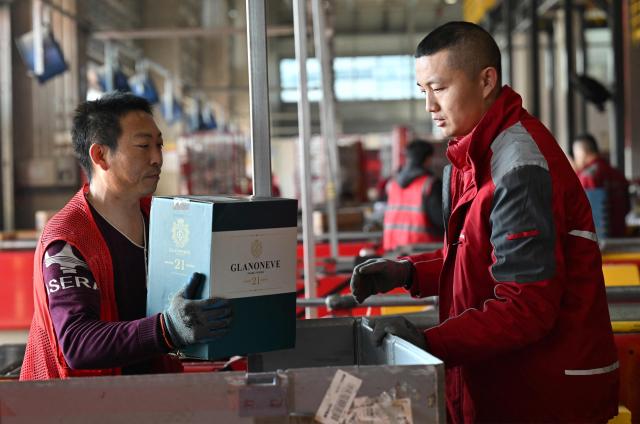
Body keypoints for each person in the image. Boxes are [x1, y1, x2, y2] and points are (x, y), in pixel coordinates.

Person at [350, 22, 618, 423]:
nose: (429, 105)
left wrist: (428, 341)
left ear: (487, 80)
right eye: (422, 90)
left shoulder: (518, 167)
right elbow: (477, 254)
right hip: (506, 384)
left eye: (439, 88)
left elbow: (526, 306)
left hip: (543, 396)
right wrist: (408, 272)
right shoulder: (473, 157)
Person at [20, 92, 232, 380]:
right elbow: (77, 343)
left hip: (147, 397)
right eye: (143, 146)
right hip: (74, 407)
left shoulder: (163, 222)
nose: (157, 158)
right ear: (100, 155)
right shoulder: (67, 241)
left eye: (158, 144)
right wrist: (166, 329)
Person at [382, 139, 444, 251]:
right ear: (428, 159)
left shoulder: (392, 184)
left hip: (393, 250)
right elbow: (441, 220)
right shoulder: (430, 184)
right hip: (422, 251)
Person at [573, 133, 630, 237]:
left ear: (582, 152)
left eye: (575, 154)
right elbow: (627, 208)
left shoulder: (586, 177)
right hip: (621, 240)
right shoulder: (618, 174)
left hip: (598, 244)